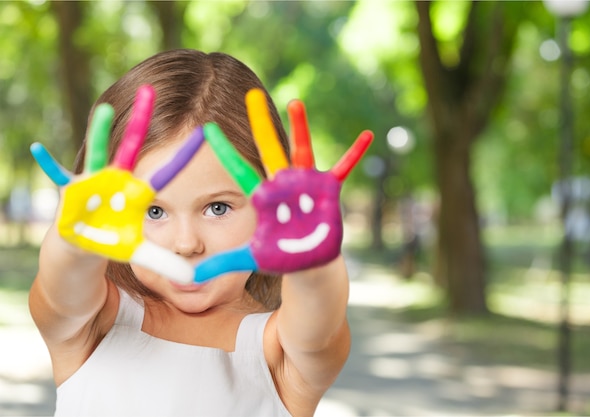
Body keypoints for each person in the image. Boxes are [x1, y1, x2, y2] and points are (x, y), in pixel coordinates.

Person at [29, 49, 354, 417]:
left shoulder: (281, 354)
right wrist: (74, 242)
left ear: (269, 211)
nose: (186, 244)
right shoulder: (94, 325)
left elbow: (320, 326)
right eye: (154, 211)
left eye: (218, 208)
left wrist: (312, 257)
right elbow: (62, 289)